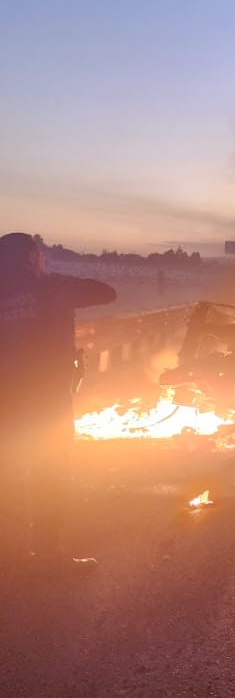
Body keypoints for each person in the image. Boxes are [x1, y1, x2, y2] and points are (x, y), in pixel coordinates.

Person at [0, 233, 116, 575]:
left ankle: (8, 552)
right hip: (46, 399)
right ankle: (49, 556)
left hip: (6, 398)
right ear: (34, 259)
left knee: (7, 472)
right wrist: (53, 283)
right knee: (50, 473)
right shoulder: (51, 287)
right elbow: (107, 293)